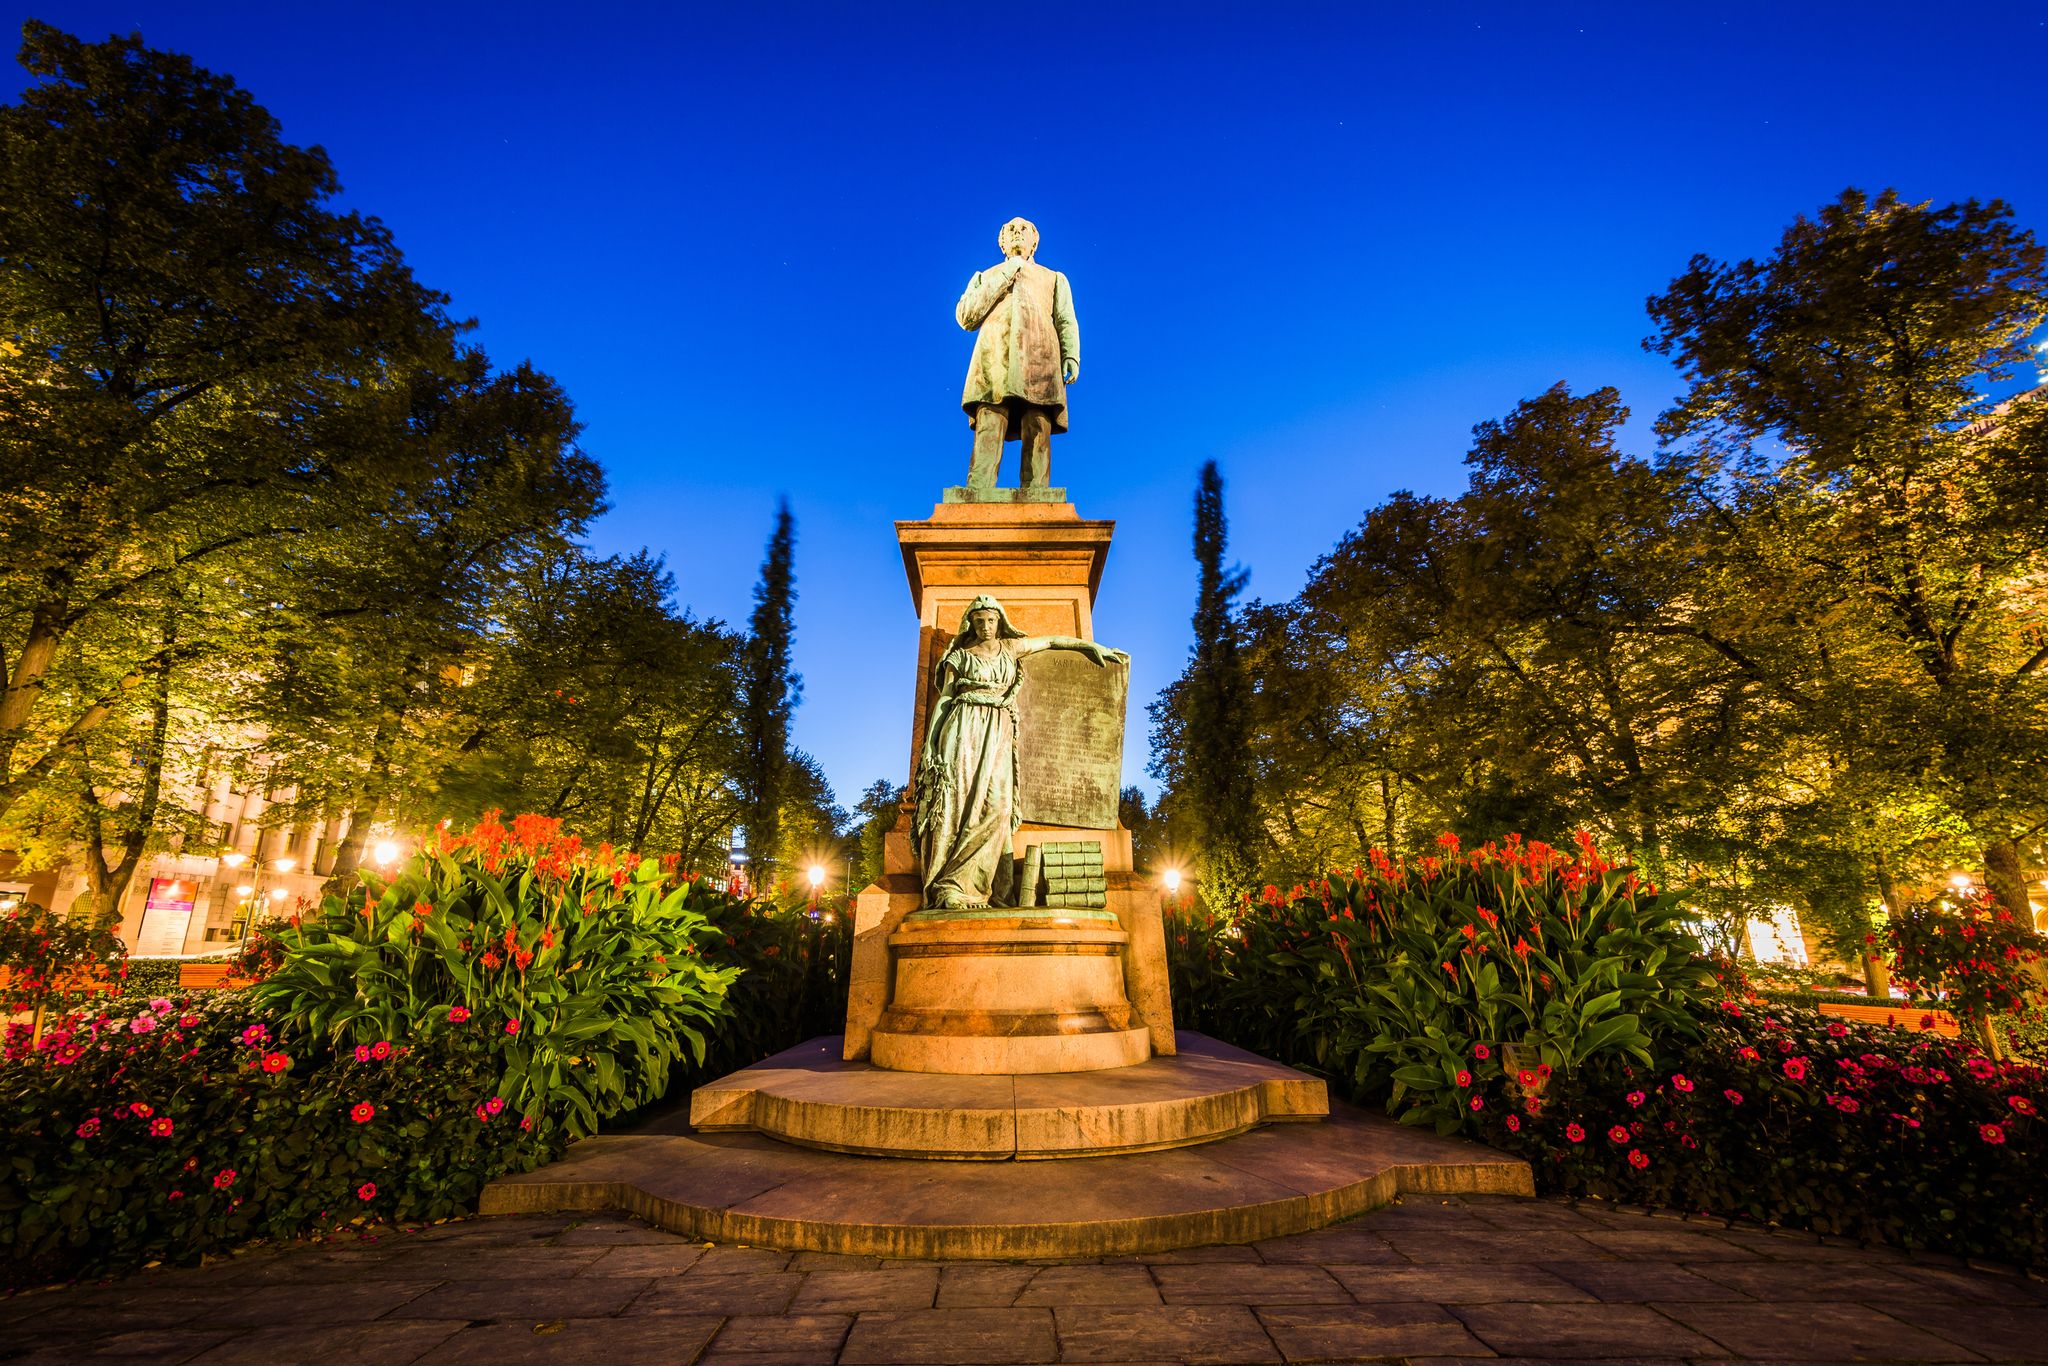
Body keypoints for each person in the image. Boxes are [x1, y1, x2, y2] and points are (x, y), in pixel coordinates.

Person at [913, 596, 1124, 908]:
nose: (986, 626)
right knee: (960, 806)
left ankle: (977, 882)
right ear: (971, 622)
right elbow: (945, 700)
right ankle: (952, 887)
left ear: (1000, 622)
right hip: (963, 729)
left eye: (991, 620)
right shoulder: (959, 657)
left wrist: (1089, 647)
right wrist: (931, 744)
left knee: (998, 807)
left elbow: (1051, 641)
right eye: (980, 620)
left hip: (997, 729)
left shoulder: (1010, 649)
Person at [955, 218, 1080, 494]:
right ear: (1001, 242)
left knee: (1037, 424)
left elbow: (1065, 319)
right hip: (993, 361)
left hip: (1039, 358)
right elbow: (965, 316)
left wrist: (1071, 354)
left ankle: (1036, 492)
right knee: (990, 421)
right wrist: (1008, 271)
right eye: (1010, 230)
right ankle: (978, 489)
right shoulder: (984, 276)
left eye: (1024, 230)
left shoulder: (1053, 278)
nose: (1016, 233)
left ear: (1034, 242)